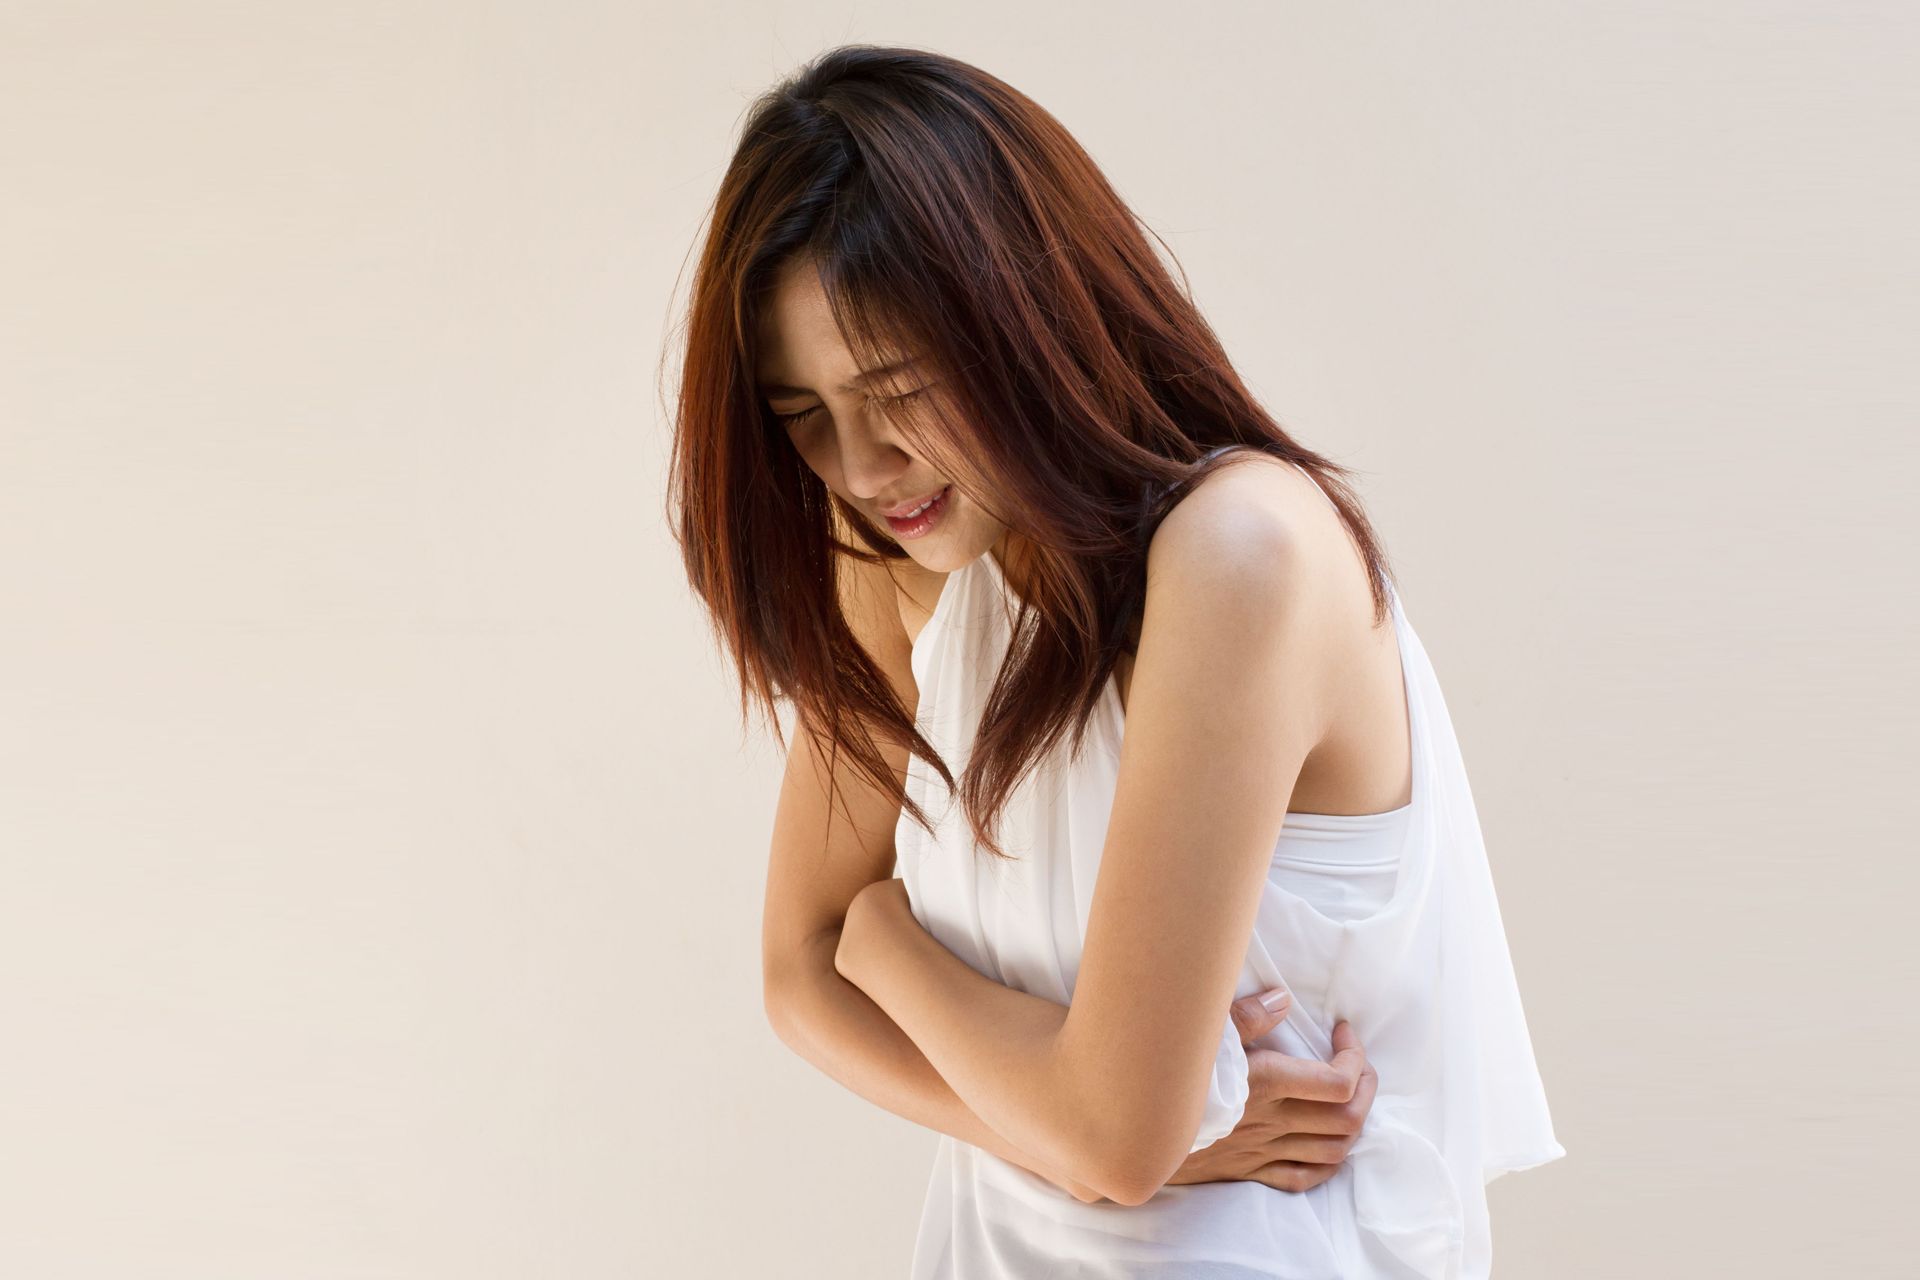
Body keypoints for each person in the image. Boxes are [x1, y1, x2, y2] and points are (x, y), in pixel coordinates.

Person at [666, 43, 1564, 1279]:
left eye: (899, 389)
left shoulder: (1241, 554)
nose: (865, 468)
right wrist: (1068, 1129)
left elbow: (1107, 1124)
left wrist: (887, 935)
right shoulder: (901, 571)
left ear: (1022, 318)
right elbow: (799, 970)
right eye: (803, 416)